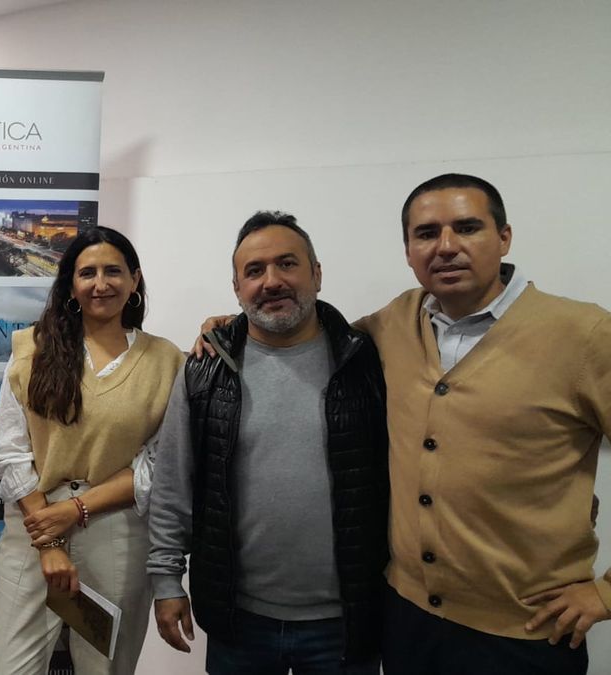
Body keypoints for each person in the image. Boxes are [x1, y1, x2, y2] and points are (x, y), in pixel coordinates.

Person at [195, 175, 611, 673]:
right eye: (427, 234)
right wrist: (232, 329)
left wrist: (605, 594)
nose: (446, 246)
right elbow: (306, 334)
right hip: (406, 617)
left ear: (504, 237)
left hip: (525, 629)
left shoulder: (584, 335)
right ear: (409, 252)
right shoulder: (394, 323)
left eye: (468, 227)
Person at [149, 212, 388, 674]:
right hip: (240, 621)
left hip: (346, 622)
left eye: (287, 264)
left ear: (317, 273)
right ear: (237, 288)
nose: (272, 281)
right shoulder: (205, 369)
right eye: (254, 270)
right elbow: (173, 484)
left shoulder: (366, 362)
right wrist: (166, 581)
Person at [0, 226, 184, 674]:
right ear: (71, 285)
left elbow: (158, 462)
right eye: (87, 273)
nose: (101, 284)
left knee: (105, 667)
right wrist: (50, 540)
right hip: (34, 529)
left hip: (114, 532)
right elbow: (12, 453)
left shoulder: (167, 362)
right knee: (9, 666)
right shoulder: (32, 350)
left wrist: (75, 510)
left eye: (113, 271)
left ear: (134, 279)